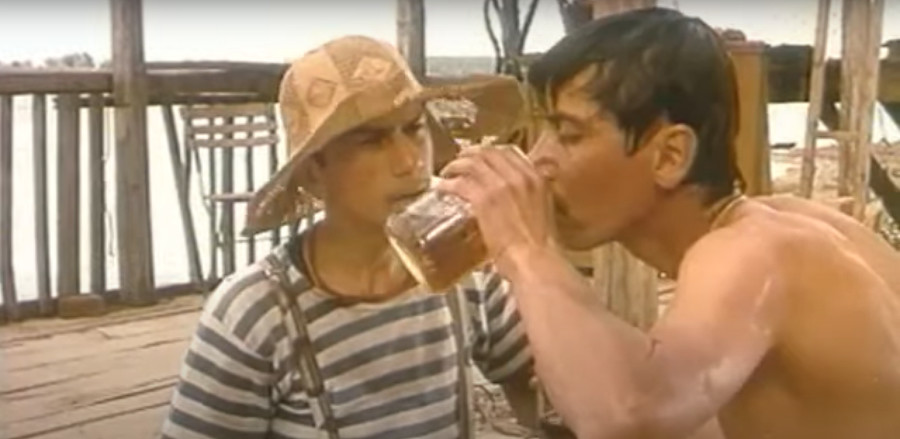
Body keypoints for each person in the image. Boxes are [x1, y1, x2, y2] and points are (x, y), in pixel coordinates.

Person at [438, 7, 900, 439]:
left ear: (670, 156)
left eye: (569, 134)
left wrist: (525, 250)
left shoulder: (750, 251)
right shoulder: (795, 223)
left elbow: (629, 415)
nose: (538, 161)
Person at [161, 35, 535, 439]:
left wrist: (533, 258)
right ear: (314, 172)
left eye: (414, 129)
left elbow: (544, 391)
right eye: (372, 141)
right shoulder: (256, 314)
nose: (409, 160)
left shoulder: (467, 276)